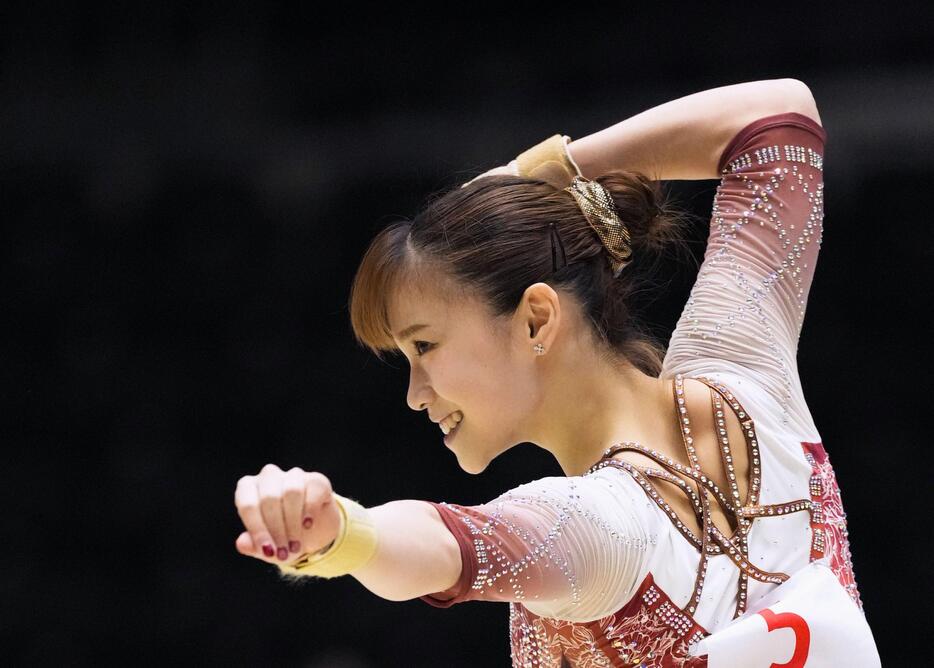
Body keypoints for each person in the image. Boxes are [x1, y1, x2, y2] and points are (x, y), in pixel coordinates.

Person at [233, 78, 881, 666]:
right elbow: (776, 121)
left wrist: (345, 533)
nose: (414, 394)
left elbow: (453, 544)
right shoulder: (748, 368)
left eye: (424, 346)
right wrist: (540, 172)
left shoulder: (602, 531)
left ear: (538, 319)